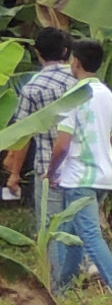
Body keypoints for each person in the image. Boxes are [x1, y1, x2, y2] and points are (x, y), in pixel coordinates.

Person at [42, 39, 112, 299]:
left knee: (89, 236)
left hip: (78, 176)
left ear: (75, 62)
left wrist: (52, 170)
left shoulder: (73, 97)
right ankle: (61, 290)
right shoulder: (109, 97)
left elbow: (62, 144)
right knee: (72, 235)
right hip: (103, 174)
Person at [7, 28, 77, 228]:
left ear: (38, 53)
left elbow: (23, 135)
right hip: (82, 168)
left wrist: (14, 173)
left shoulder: (32, 88)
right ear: (66, 51)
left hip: (48, 168)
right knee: (81, 228)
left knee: (51, 228)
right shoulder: (81, 81)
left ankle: (53, 261)